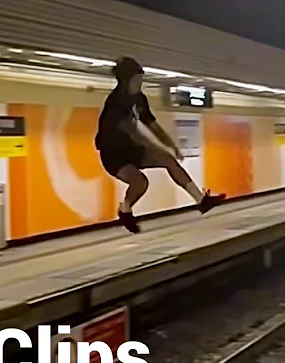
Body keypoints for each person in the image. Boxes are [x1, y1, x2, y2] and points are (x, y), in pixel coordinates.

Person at [95, 57, 226, 234]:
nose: (141, 82)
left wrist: (172, 146)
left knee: (168, 159)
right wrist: (161, 148)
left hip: (131, 149)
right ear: (126, 81)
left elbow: (153, 126)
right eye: (137, 79)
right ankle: (125, 210)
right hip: (113, 154)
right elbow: (136, 134)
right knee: (140, 183)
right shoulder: (116, 103)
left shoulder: (140, 99)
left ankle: (201, 201)